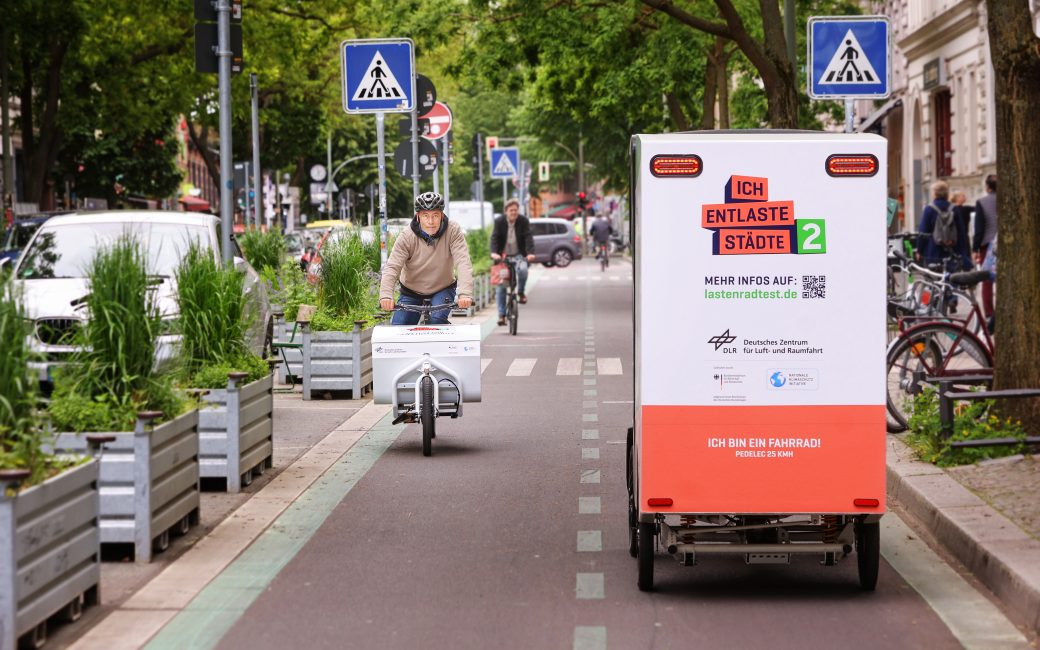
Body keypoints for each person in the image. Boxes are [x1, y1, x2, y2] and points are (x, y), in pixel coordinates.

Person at [379, 192, 473, 325]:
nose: (430, 221)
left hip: (443, 287)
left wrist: (465, 294)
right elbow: (392, 267)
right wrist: (386, 295)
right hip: (411, 291)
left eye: (435, 215)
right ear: (418, 216)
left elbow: (463, 262)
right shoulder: (406, 236)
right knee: (399, 328)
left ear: (441, 215)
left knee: (436, 320)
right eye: (425, 215)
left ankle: (445, 344)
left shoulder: (453, 231)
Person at [490, 198, 535, 326]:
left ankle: (520, 292)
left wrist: (530, 253)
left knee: (523, 270)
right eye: (511, 210)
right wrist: (494, 253)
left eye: (516, 210)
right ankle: (502, 315)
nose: (514, 212)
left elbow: (528, 237)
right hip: (503, 257)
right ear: (506, 211)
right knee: (501, 286)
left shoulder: (523, 221)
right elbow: (495, 237)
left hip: (519, 255)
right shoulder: (499, 221)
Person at [972, 174, 997, 320]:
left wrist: (975, 249)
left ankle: (989, 314)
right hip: (1006, 244)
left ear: (987, 187)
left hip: (987, 245)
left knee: (986, 281)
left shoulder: (982, 202)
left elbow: (979, 229)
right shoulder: (1008, 199)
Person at [915, 180, 956, 269]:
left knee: (932, 279)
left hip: (932, 250)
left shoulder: (929, 209)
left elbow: (923, 231)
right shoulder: (954, 208)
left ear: (935, 193)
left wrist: (919, 250)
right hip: (951, 250)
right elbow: (961, 232)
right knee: (951, 279)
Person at [949, 191, 973, 271]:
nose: (965, 197)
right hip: (963, 236)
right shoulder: (965, 209)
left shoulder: (950, 209)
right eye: (962, 196)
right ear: (957, 198)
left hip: (953, 238)